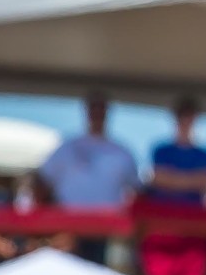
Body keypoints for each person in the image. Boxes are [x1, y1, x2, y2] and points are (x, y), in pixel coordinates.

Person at [36, 91, 141, 230]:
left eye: (101, 108)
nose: (97, 113)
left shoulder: (122, 152)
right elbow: (42, 181)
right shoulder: (67, 148)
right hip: (68, 228)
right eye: (94, 108)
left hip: (108, 227)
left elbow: (137, 190)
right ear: (87, 111)